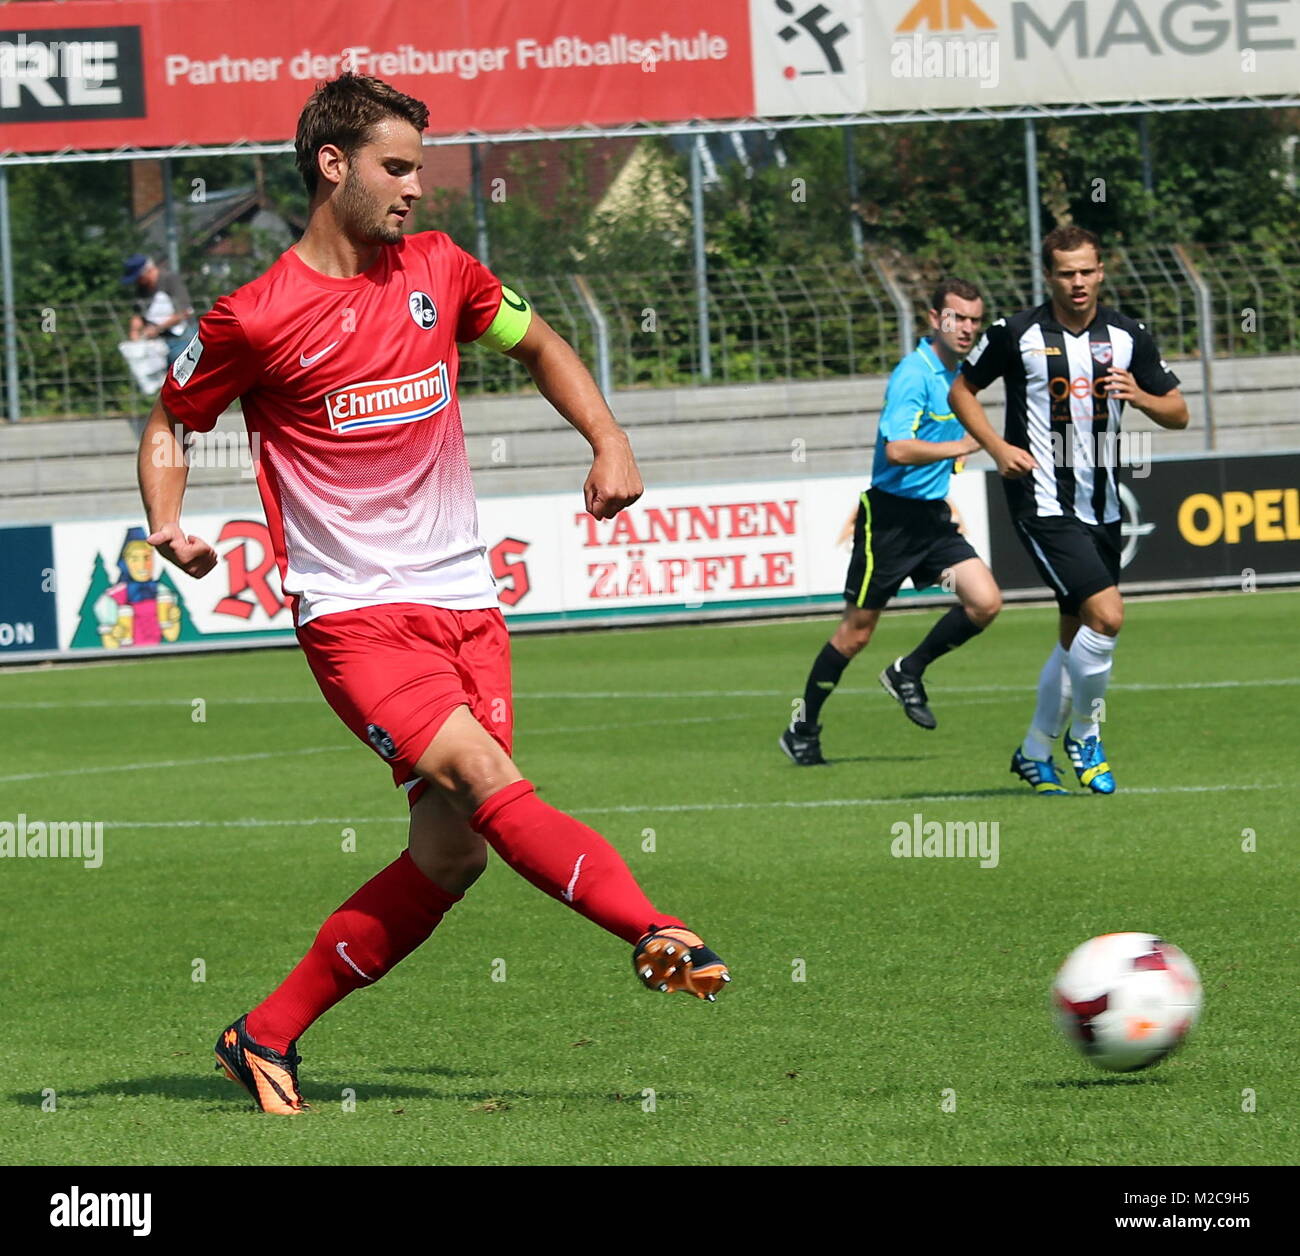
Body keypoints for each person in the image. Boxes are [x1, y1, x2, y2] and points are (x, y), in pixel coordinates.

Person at [136, 74, 728, 1116]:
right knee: (484, 774)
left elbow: (539, 342)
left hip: (466, 603)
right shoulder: (254, 315)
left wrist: (609, 436)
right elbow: (173, 417)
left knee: (450, 853)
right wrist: (167, 521)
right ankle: (653, 926)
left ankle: (262, 1033)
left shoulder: (441, 269)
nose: (415, 188)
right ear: (334, 166)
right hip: (354, 614)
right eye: (396, 167)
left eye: (420, 168)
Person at [950, 226, 1190, 796]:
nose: (1077, 282)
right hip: (1041, 499)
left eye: (1086, 271)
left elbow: (1178, 412)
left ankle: (1034, 751)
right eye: (1066, 272)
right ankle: (1085, 734)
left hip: (1102, 504)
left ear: (1101, 271)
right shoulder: (1018, 332)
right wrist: (997, 446)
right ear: (1049, 276)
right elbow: (962, 390)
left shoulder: (1129, 336)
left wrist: (1141, 396)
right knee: (1107, 616)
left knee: (1075, 636)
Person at [780, 277, 1001, 766]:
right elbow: (897, 448)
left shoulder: (960, 374)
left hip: (932, 519)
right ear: (934, 320)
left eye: (973, 319)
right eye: (956, 318)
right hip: (889, 521)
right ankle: (803, 727)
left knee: (985, 602)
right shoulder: (914, 374)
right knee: (855, 634)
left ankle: (908, 670)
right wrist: (960, 447)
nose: (966, 328)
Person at [123, 254, 195, 368]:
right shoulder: (142, 289)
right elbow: (138, 314)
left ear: (148, 270)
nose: (137, 282)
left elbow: (185, 311)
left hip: (183, 337)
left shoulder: (170, 279)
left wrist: (157, 328)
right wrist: (134, 332)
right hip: (159, 343)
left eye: (138, 277)